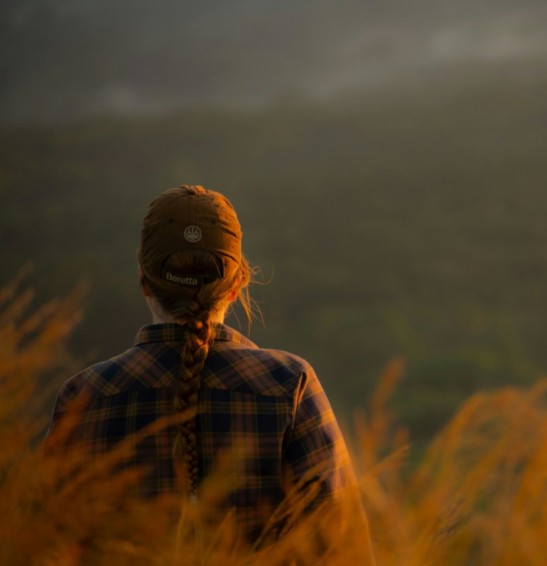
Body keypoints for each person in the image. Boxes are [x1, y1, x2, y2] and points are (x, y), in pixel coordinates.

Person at [47, 185, 372, 558]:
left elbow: (38, 545)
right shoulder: (289, 384)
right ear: (237, 285)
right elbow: (345, 549)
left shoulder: (83, 398)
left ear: (144, 282)